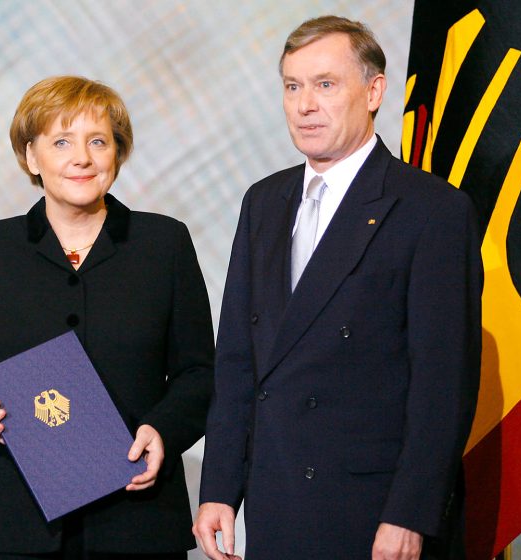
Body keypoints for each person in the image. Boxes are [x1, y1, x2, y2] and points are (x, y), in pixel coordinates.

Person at [193, 16, 482, 560]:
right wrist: (219, 490)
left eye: (325, 84)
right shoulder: (264, 201)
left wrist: (409, 514)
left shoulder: (432, 210)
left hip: (374, 512)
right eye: (292, 86)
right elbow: (236, 360)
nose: (305, 105)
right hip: (277, 503)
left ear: (374, 92)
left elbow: (444, 384)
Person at [0, 75, 214, 560]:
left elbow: (199, 373)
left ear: (116, 154)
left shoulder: (163, 245)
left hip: (135, 517)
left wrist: (164, 430)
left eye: (97, 141)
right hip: (15, 518)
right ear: (31, 156)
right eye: (61, 141)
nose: (81, 157)